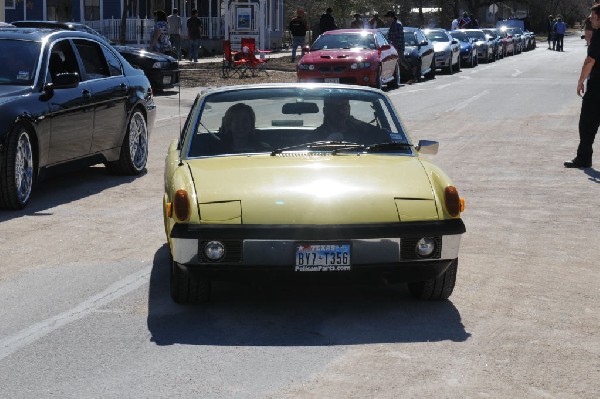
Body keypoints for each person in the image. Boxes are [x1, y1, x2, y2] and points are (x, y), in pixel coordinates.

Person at [565, 3, 600, 168]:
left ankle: (584, 158)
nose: (591, 20)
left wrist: (580, 81)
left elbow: (589, 61)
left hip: (597, 88)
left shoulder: (598, 36)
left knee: (587, 124)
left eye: (593, 17)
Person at [312, 97, 390, 145]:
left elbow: (385, 138)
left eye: (344, 106)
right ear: (325, 111)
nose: (340, 111)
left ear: (349, 109)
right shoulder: (315, 136)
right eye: (335, 108)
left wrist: (359, 124)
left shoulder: (364, 132)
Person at [384, 10, 415, 84]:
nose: (387, 19)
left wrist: (393, 45)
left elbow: (395, 37)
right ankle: (404, 77)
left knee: (402, 61)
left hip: (398, 47)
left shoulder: (397, 24)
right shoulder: (394, 24)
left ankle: (412, 77)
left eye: (387, 17)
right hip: (396, 46)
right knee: (400, 62)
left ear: (391, 17)